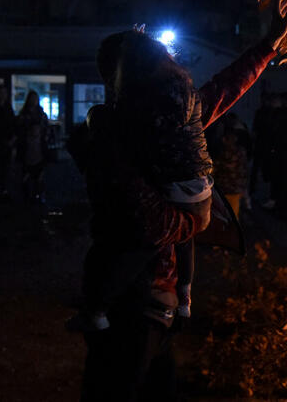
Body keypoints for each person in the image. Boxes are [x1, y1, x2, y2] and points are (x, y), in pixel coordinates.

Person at [70, 0, 287, 401]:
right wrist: (193, 221)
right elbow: (147, 224)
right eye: (161, 64)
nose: (171, 70)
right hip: (132, 306)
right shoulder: (112, 139)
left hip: (162, 302)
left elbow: (222, 90)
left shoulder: (170, 122)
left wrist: (269, 45)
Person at [70, 29, 217, 332]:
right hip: (195, 188)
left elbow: (144, 142)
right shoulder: (178, 87)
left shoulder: (158, 97)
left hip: (181, 194)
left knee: (138, 243)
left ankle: (99, 308)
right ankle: (184, 296)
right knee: (171, 239)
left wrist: (99, 124)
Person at [211, 113, 251, 219]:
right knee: (233, 214)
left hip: (224, 188)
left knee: (224, 214)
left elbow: (214, 169)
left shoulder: (221, 152)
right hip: (234, 187)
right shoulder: (240, 151)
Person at [16, 89, 49, 204]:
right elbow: (19, 129)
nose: (34, 101)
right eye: (32, 99)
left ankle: (37, 194)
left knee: (38, 174)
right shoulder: (25, 114)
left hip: (39, 146)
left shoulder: (40, 113)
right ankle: (28, 195)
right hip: (27, 146)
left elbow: (46, 128)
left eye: (35, 99)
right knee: (27, 173)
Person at [252, 93, 282, 209]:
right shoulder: (270, 114)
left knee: (265, 172)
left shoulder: (270, 114)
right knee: (266, 172)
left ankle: (257, 193)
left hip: (267, 147)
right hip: (267, 147)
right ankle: (259, 194)